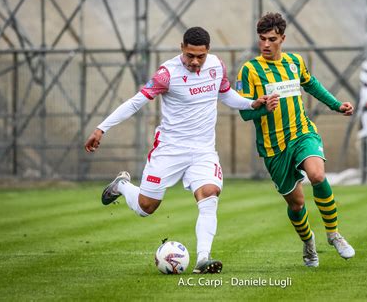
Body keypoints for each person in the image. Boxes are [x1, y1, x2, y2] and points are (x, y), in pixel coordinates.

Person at [84, 26, 278, 274]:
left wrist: (252, 102)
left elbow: (226, 95)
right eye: (190, 56)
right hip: (170, 150)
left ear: (208, 51)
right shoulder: (167, 74)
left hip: (203, 150)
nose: (195, 62)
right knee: (146, 208)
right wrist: (101, 128)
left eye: (201, 56)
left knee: (209, 195)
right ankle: (122, 185)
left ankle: (203, 259)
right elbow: (135, 102)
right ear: (181, 49)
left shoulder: (216, 66)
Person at [236, 12, 355, 268]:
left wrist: (336, 105)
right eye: (262, 39)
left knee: (318, 176)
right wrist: (262, 108)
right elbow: (245, 113)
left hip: (302, 133)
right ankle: (308, 242)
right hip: (273, 147)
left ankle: (334, 234)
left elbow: (311, 85)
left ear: (282, 38)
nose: (266, 44)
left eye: (272, 39)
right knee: (297, 203)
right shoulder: (250, 70)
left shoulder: (294, 62)